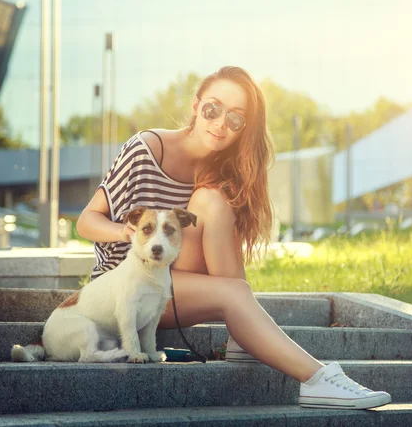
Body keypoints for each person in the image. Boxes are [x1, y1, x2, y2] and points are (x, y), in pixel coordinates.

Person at [76, 66, 391, 410]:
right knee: (233, 290)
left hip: (172, 279)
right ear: (196, 107)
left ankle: (244, 332)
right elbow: (86, 221)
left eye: (236, 118)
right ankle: (316, 378)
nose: (221, 123)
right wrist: (125, 230)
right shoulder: (148, 149)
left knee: (209, 200)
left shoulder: (226, 169)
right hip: (126, 286)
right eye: (213, 109)